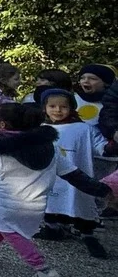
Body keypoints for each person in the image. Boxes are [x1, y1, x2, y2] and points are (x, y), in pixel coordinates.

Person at [0, 103, 112, 277]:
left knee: (13, 233)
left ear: (2, 125)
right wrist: (102, 190)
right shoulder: (50, 147)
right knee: (2, 227)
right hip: (35, 203)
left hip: (1, 201)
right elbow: (74, 175)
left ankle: (43, 269)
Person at [38, 89, 112, 258]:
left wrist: (111, 145)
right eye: (52, 106)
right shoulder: (40, 129)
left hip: (77, 176)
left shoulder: (83, 129)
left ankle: (88, 236)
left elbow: (101, 147)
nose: (57, 110)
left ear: (71, 108)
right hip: (50, 176)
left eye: (63, 107)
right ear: (44, 108)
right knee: (49, 202)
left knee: (79, 203)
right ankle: (52, 228)